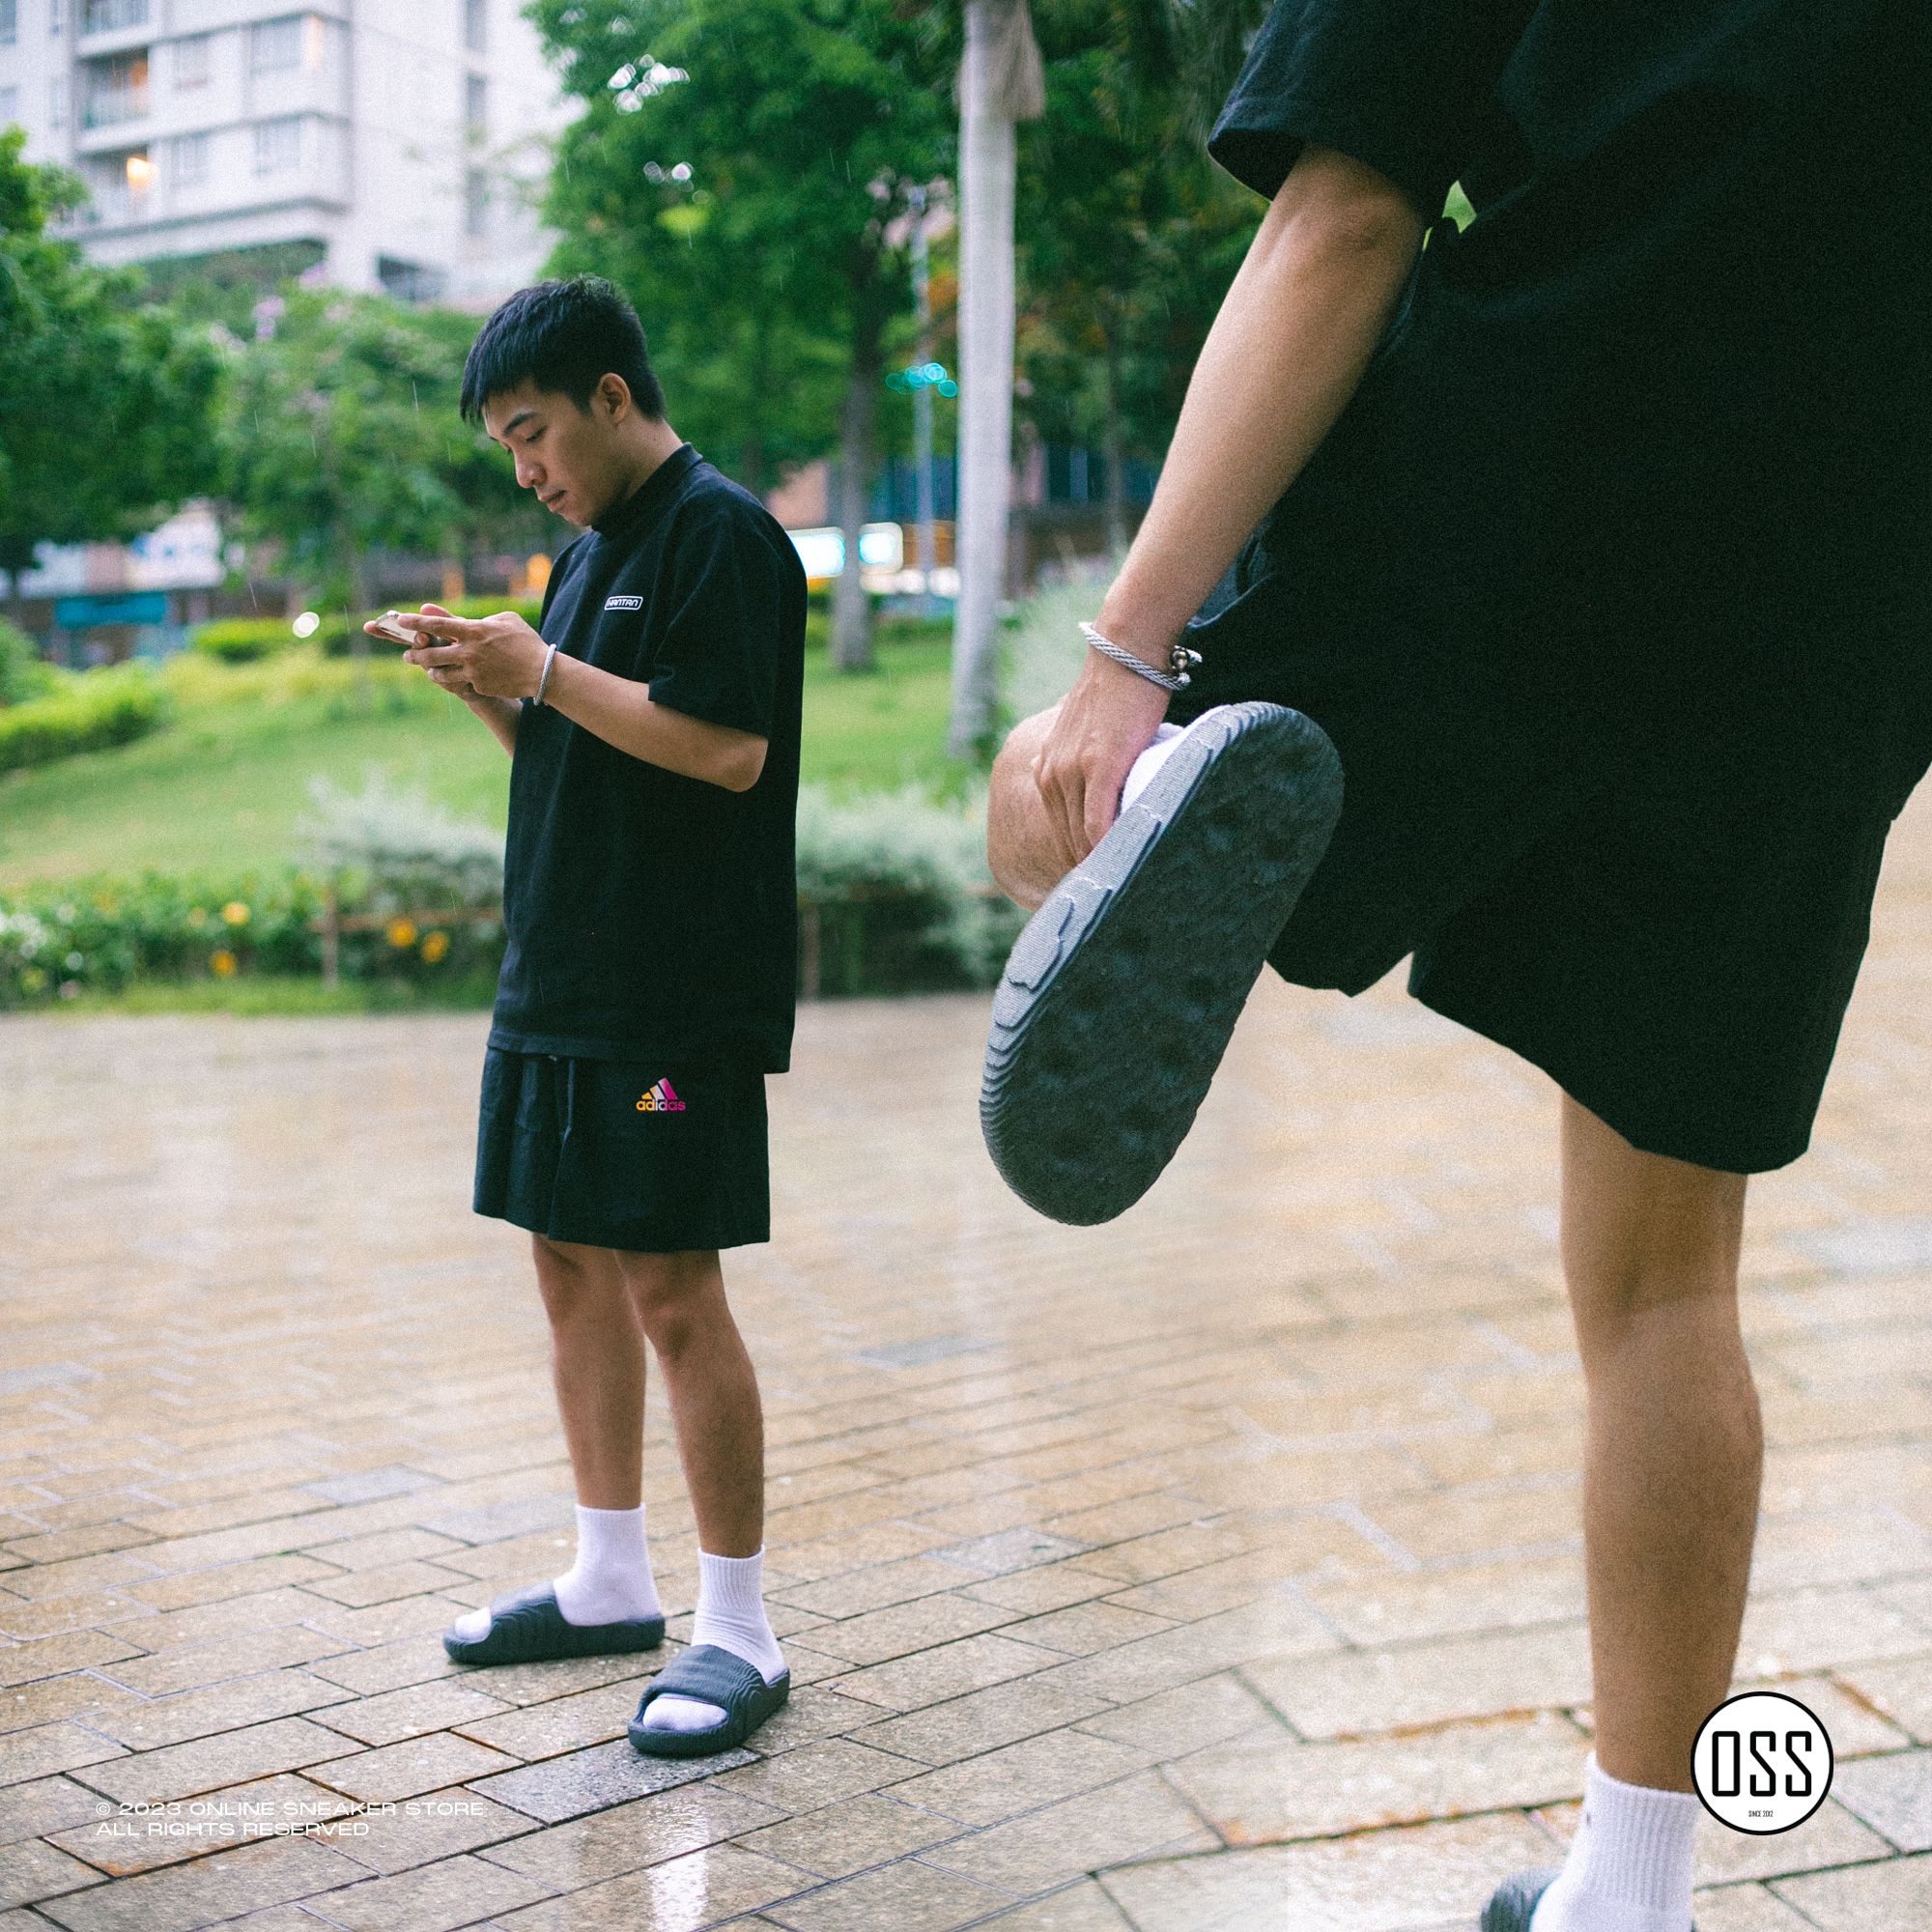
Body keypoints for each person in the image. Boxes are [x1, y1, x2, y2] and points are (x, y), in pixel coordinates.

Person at [985, 3, 1930, 1927]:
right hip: (1841, 589)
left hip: (1539, 463)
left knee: (1360, 541)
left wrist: (1115, 644)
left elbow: (1342, 217)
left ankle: (1191, 733)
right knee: (1669, 1273)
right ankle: (1634, 1880)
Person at [375, 276, 806, 1759]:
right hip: (559, 973)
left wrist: (544, 666)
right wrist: (491, 682)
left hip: (670, 988)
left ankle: (738, 1629)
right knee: (568, 1263)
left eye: (535, 430)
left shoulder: (723, 534)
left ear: (613, 397)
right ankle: (611, 1578)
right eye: (508, 444)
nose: (527, 468)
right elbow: (575, 744)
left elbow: (732, 750)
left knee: (674, 1290)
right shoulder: (583, 554)